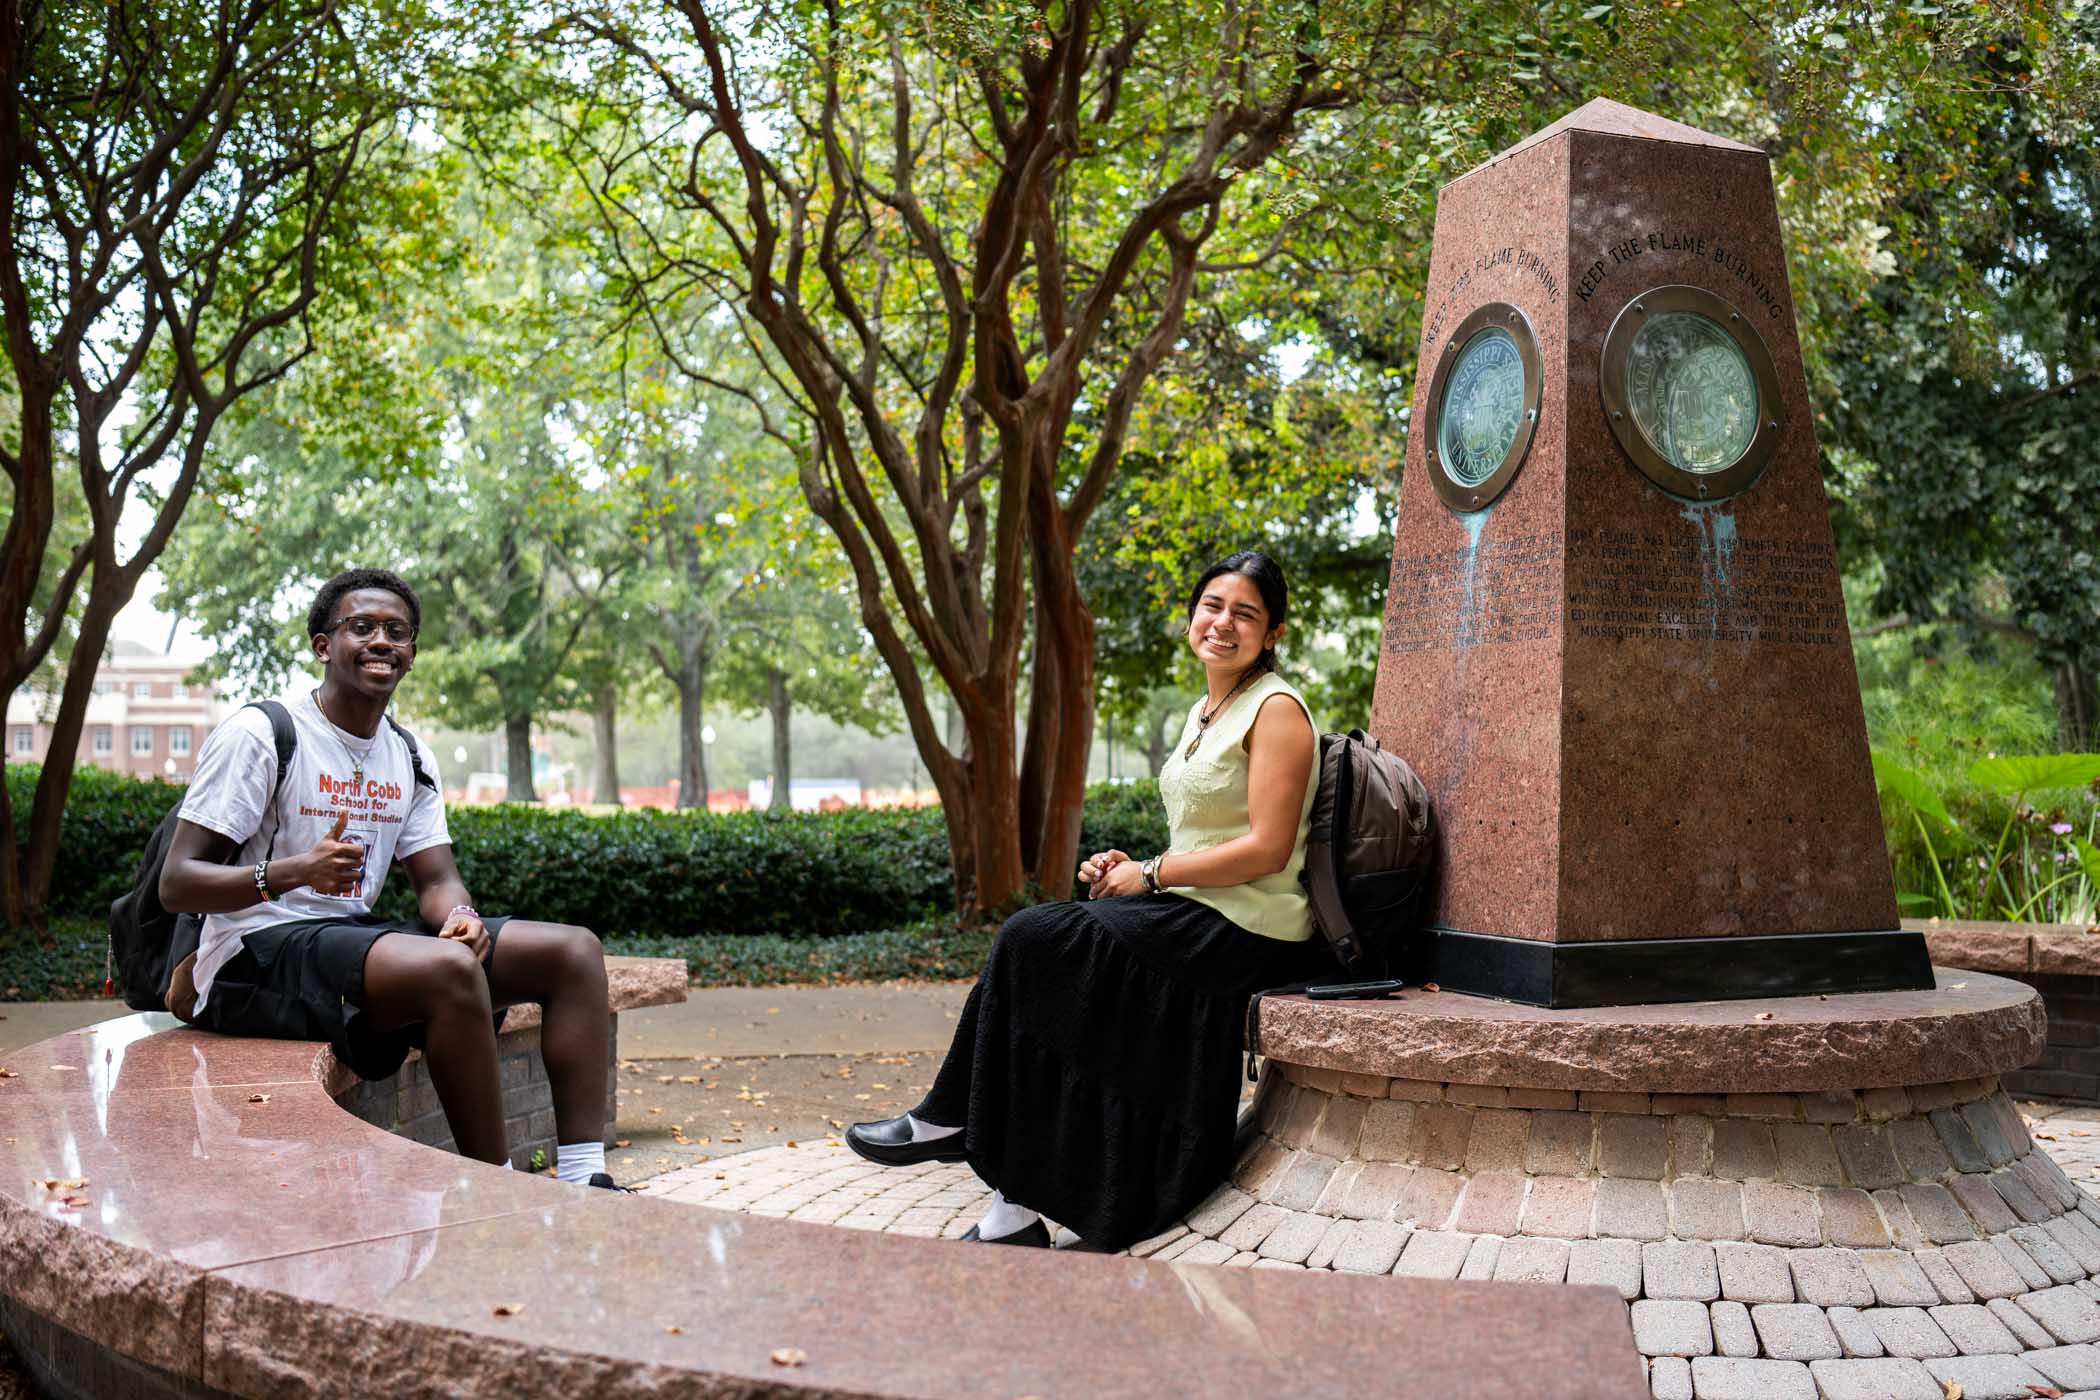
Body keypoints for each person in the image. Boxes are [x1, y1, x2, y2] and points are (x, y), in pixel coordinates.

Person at [846, 550, 1335, 1248]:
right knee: (1038, 950)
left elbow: (1265, 847)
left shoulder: (1277, 709)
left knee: (1035, 940)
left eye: (1246, 614)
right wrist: (1129, 867)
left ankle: (950, 1118)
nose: (1223, 624)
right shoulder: (1207, 710)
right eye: (1213, 606)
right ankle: (1007, 1207)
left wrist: (1154, 874)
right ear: (1193, 614)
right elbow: (1207, 832)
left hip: (1249, 927)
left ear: (1274, 632)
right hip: (1198, 906)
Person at [159, 568, 623, 1188]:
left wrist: (463, 919)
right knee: (448, 971)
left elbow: (436, 880)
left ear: (411, 653)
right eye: (362, 627)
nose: (382, 641)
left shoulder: (405, 753)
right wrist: (292, 873)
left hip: (345, 941)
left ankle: (585, 1178)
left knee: (572, 952)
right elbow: (178, 882)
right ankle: (500, 1187)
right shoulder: (264, 734)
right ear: (323, 645)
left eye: (397, 632)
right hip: (253, 955)